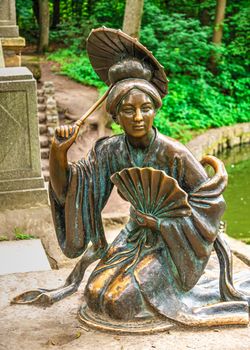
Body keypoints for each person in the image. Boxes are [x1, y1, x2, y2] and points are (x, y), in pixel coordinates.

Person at [13, 28, 250, 332]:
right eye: (128, 110)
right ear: (116, 115)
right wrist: (58, 155)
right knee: (95, 293)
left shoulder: (173, 153)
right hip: (134, 236)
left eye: (145, 108)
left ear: (155, 111)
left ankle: (168, 297)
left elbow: (210, 204)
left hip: (173, 245)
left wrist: (163, 224)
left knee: (117, 302)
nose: (138, 117)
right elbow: (72, 193)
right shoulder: (110, 150)